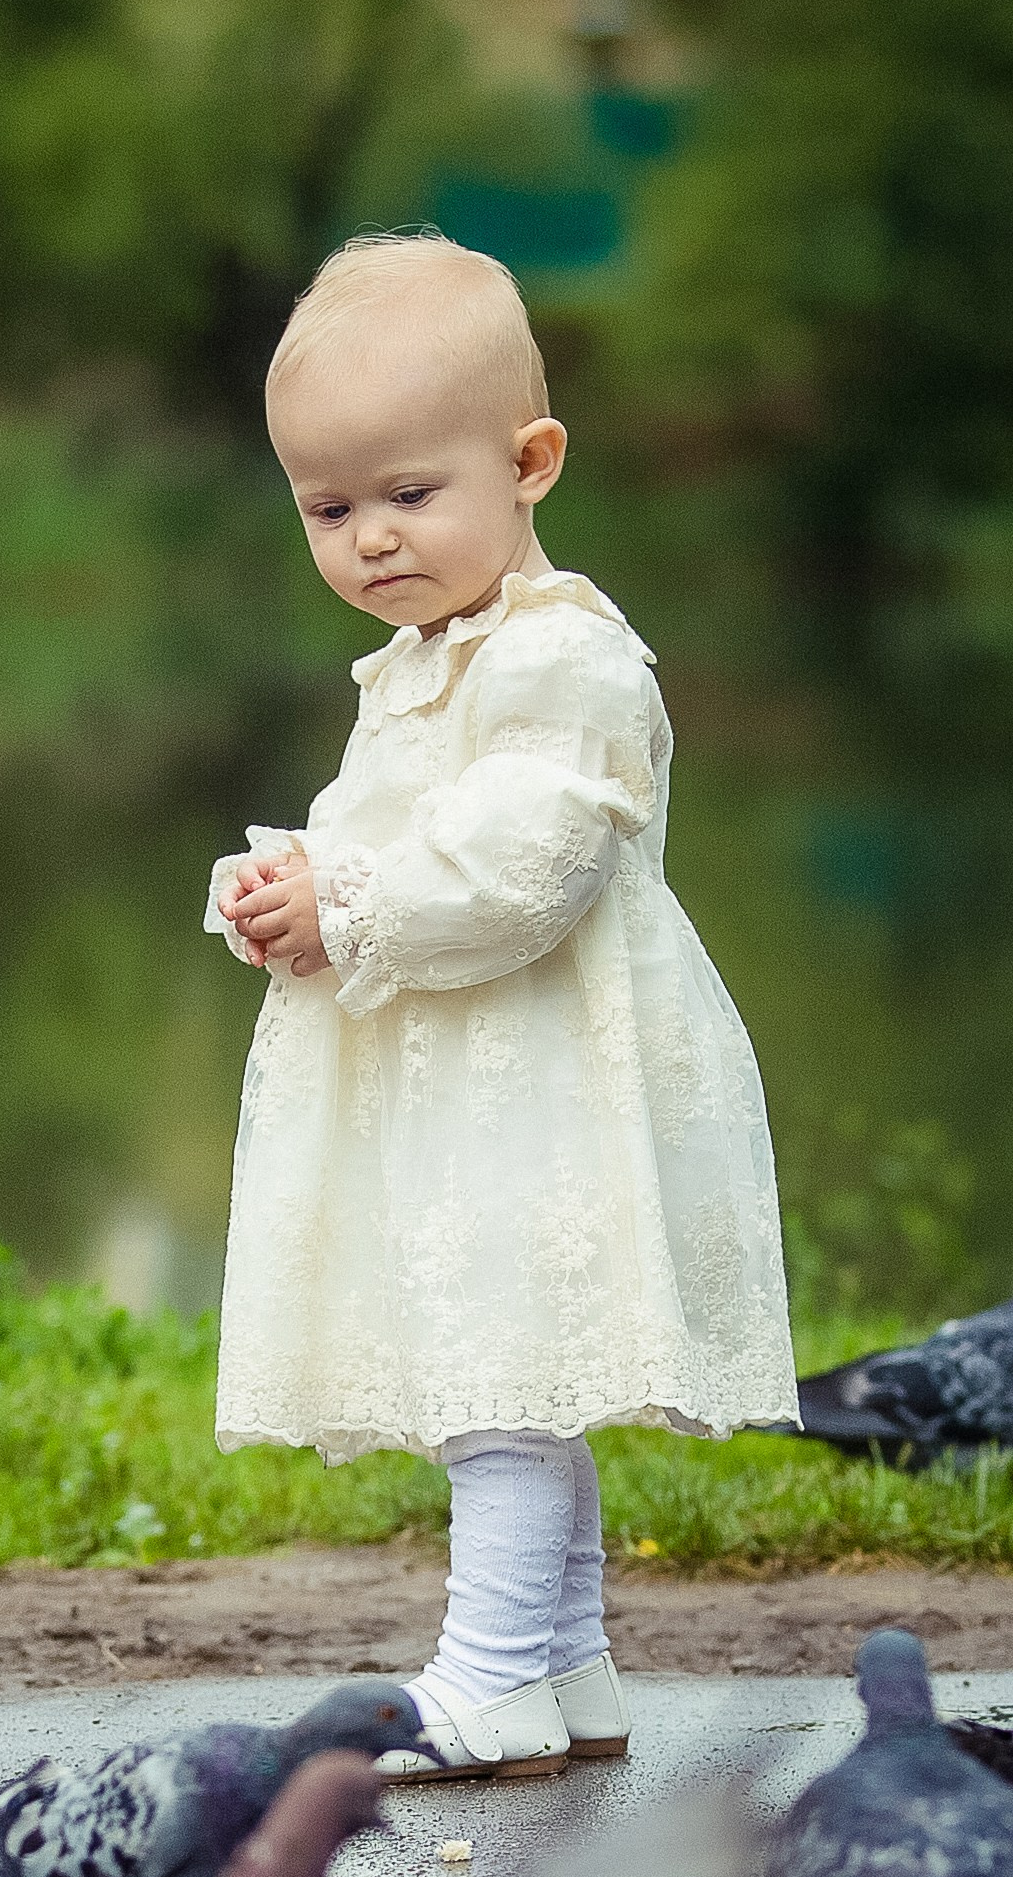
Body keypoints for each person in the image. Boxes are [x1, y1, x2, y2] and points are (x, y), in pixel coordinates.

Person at [205, 232, 792, 1781]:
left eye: (407, 495)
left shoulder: (564, 657)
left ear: (528, 461)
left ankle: (485, 1672)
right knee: (516, 1366)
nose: (369, 541)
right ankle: (566, 1664)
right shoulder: (418, 660)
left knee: (507, 1373)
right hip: (464, 1073)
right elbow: (404, 837)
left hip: (539, 1081)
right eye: (327, 509)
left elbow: (526, 865)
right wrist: (295, 884)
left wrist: (357, 904)